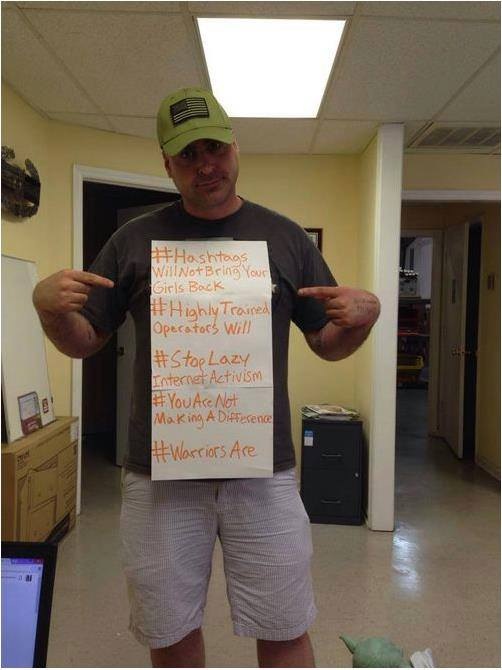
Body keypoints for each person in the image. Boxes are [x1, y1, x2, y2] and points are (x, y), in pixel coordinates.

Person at [32, 87, 380, 668]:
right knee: (170, 631)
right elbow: (85, 339)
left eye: (214, 148)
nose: (206, 165)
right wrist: (49, 311)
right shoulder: (132, 240)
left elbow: (327, 343)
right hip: (159, 475)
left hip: (263, 472)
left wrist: (364, 321)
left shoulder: (285, 238)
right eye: (187, 155)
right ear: (167, 164)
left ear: (235, 146)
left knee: (285, 624)